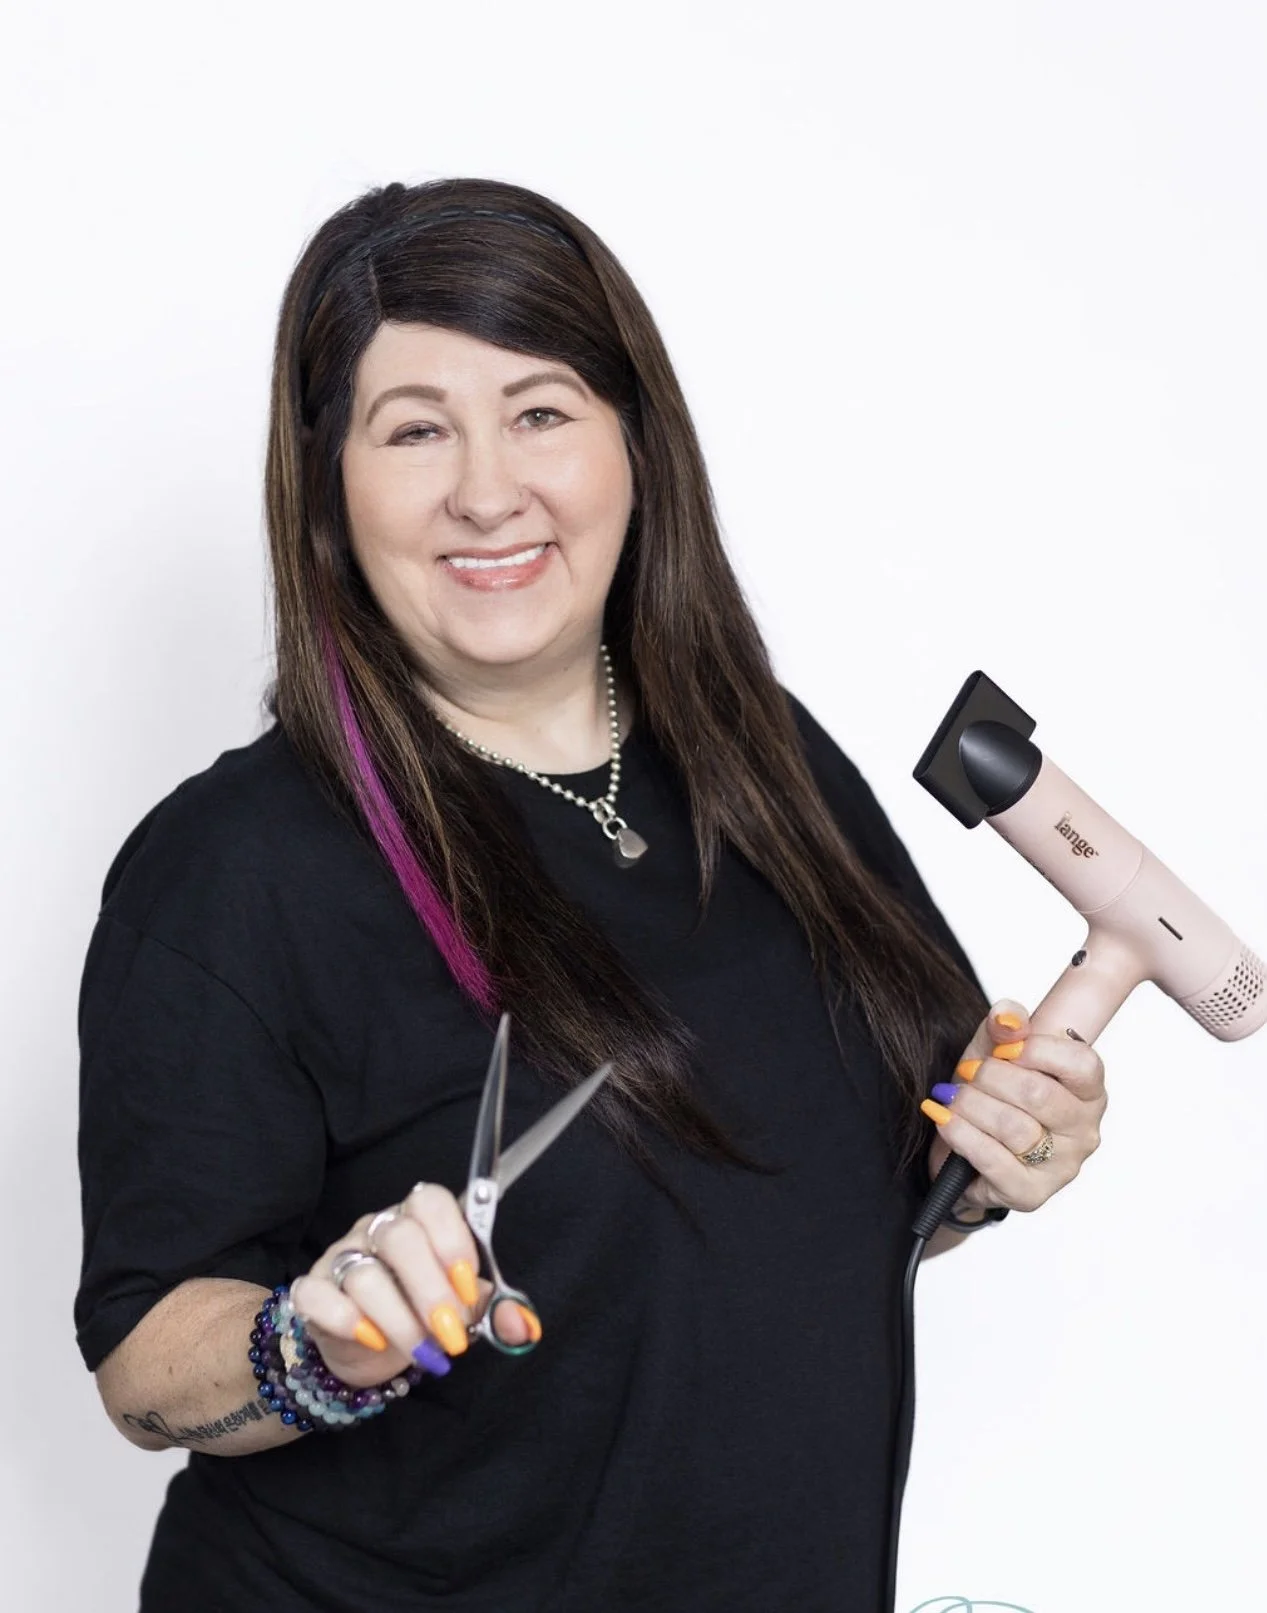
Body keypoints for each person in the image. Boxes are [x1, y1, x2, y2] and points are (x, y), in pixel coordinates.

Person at [73, 176, 1108, 1612]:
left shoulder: (768, 765)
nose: (487, 488)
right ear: (328, 484)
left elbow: (876, 1169)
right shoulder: (235, 866)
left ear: (635, 446)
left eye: (541, 411)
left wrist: (1011, 1152)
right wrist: (314, 1345)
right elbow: (141, 1368)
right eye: (415, 428)